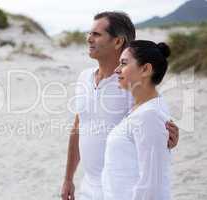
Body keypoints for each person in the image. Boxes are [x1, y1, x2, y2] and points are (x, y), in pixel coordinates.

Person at [61, 12, 179, 200]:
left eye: (96, 34)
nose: (88, 39)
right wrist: (68, 178)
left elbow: (154, 124)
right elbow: (78, 127)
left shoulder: (131, 85)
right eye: (89, 33)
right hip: (87, 186)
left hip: (118, 190)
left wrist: (169, 137)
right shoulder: (83, 78)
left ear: (117, 42)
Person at [102, 40, 172, 200]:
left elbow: (152, 184)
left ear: (146, 69)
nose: (116, 70)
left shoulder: (149, 115)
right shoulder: (142, 109)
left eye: (124, 63)